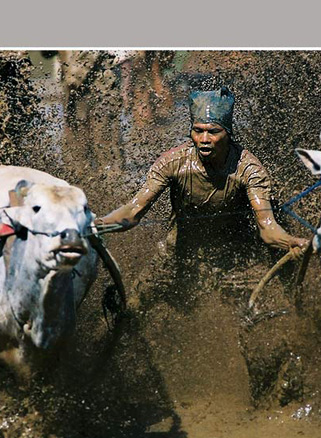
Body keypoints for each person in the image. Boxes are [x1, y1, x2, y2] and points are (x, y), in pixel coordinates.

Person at [96, 87, 309, 309]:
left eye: (213, 132)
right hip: (178, 253)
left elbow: (268, 228)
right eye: (198, 131)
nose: (204, 139)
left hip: (235, 259)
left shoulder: (249, 169)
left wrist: (291, 242)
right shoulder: (174, 163)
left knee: (255, 315)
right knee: (132, 308)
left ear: (228, 133)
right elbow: (132, 212)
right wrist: (96, 225)